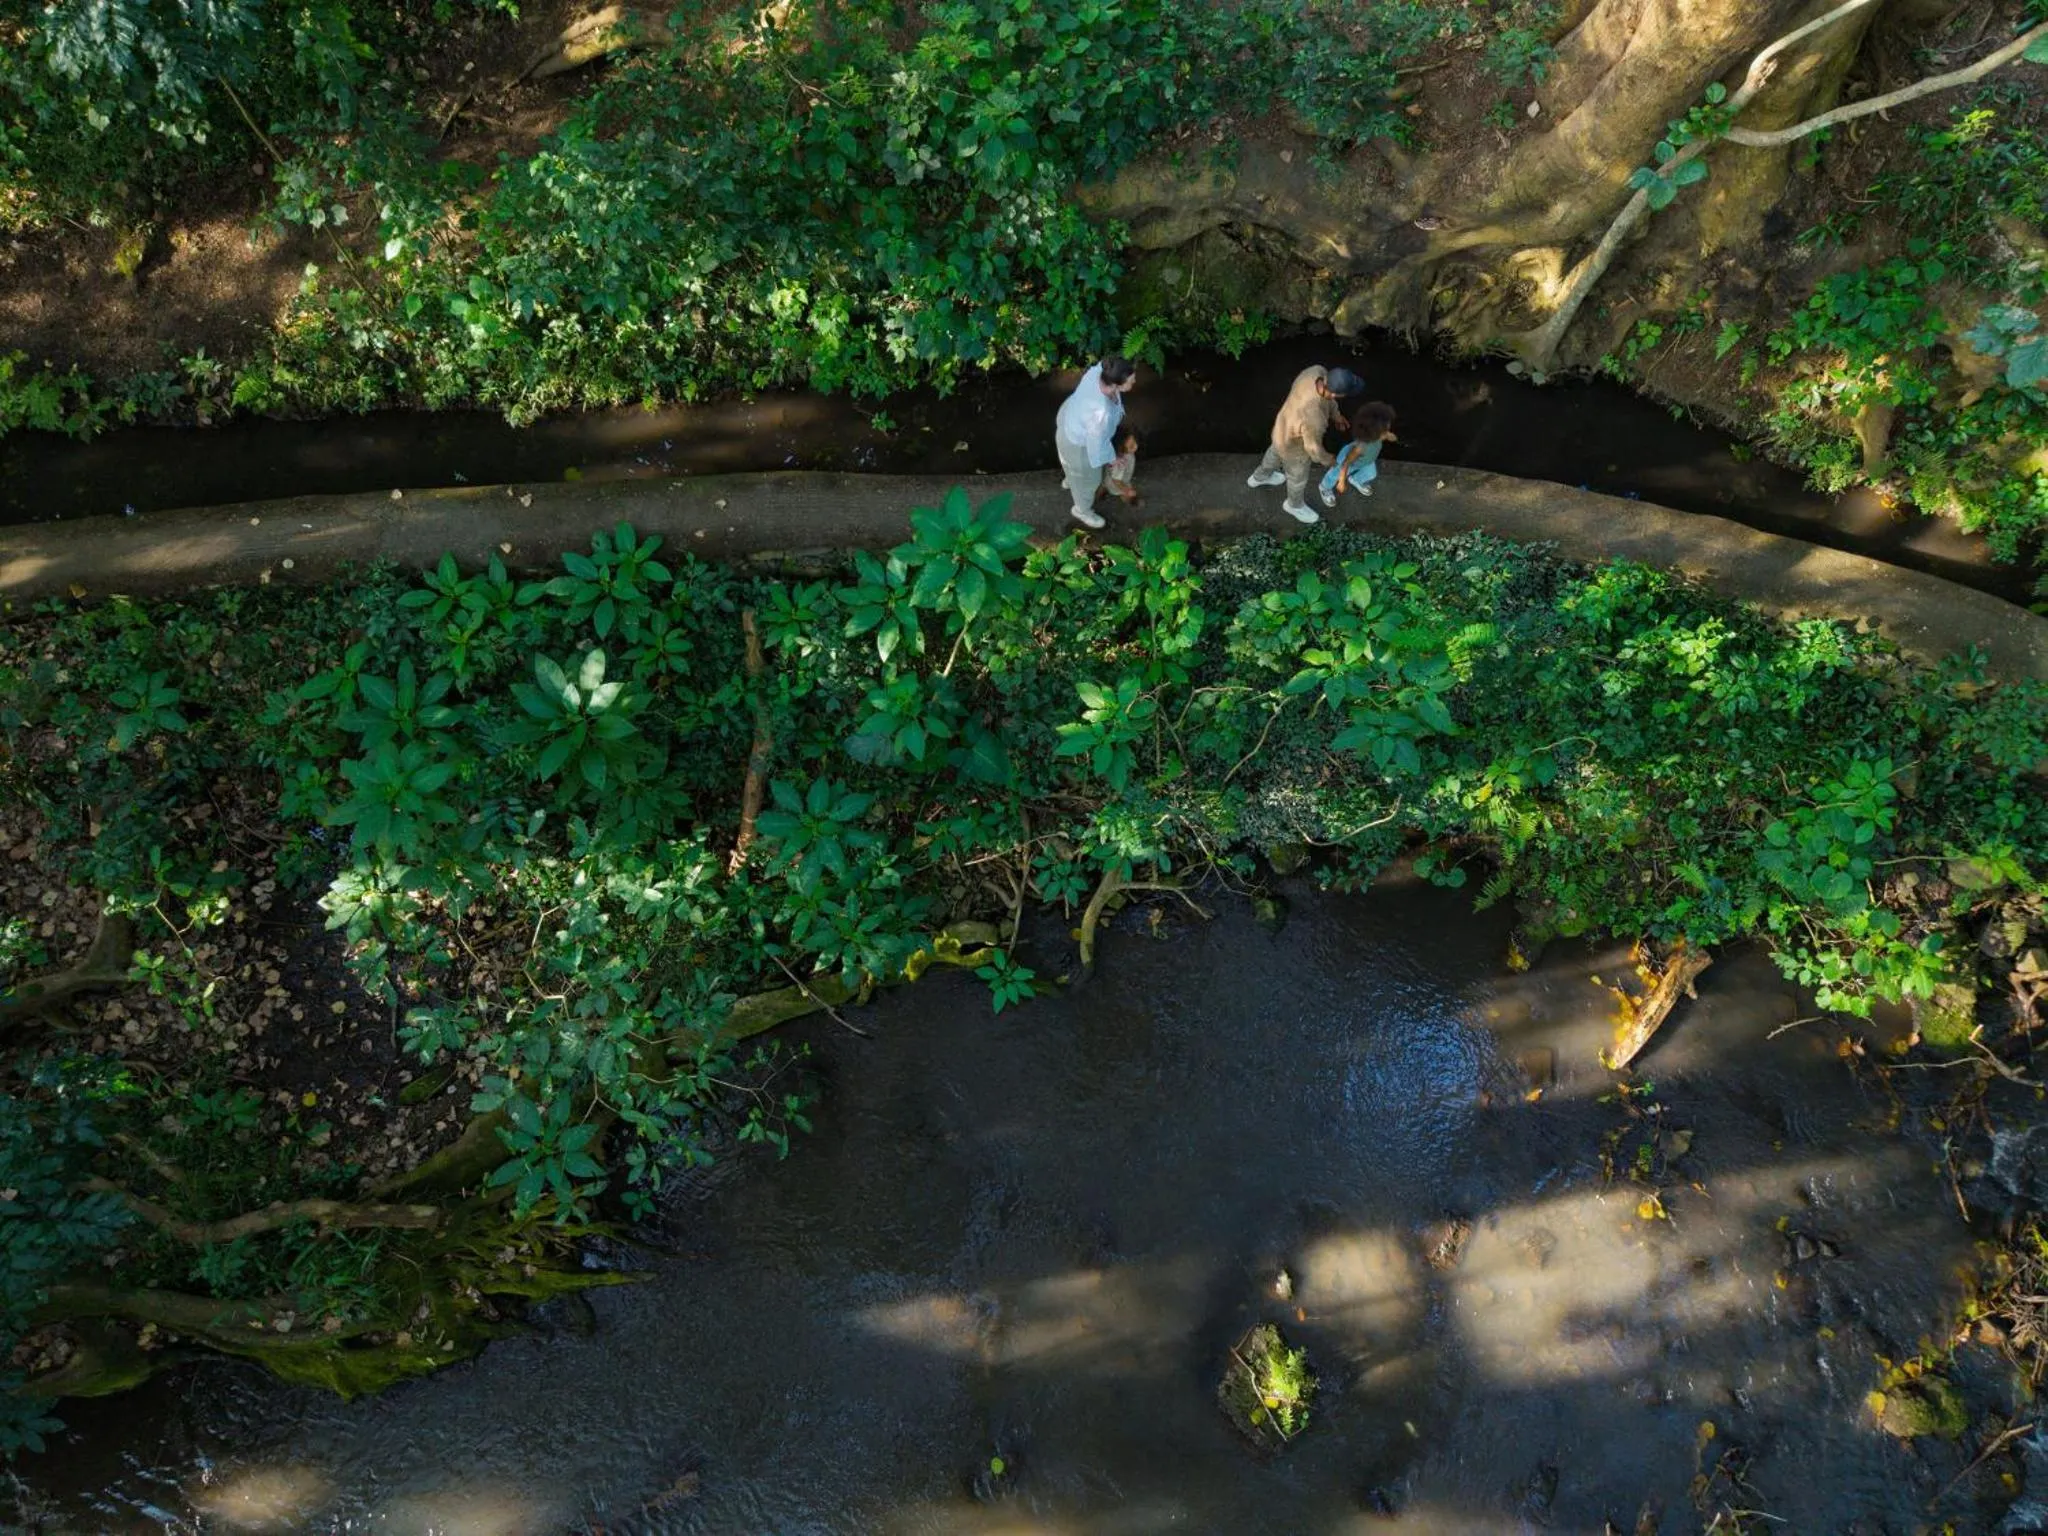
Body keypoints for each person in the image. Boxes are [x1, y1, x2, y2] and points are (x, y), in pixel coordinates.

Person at [1247, 365, 1363, 524]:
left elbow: (1328, 399)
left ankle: (1259, 477)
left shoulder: (1316, 371)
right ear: (1337, 393)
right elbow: (1313, 450)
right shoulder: (1314, 418)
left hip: (1282, 428)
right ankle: (1294, 505)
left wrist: (1336, 416)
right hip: (1294, 447)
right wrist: (1329, 460)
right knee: (1297, 478)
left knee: (1274, 452)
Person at [1054, 355, 1136, 530]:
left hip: (1070, 417)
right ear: (1117, 384)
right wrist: (1113, 459)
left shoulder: (1100, 370)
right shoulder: (1101, 414)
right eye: (1131, 381)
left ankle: (1071, 479)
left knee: (1074, 470)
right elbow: (1097, 445)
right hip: (1078, 443)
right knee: (1089, 481)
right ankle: (1081, 510)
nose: (1134, 381)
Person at [1320, 402, 1397, 508]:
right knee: (1335, 474)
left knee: (1371, 474)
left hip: (1367, 460)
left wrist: (1388, 436)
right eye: (1385, 431)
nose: (1387, 433)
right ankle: (1325, 487)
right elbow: (1346, 463)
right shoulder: (1361, 447)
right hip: (1350, 462)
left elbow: (1386, 435)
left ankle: (1356, 479)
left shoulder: (1376, 435)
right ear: (1374, 433)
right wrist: (1342, 481)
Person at [1098, 425, 1141, 507]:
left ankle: (1101, 493)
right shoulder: (1121, 464)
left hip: (1111, 476)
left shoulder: (1118, 455)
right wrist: (1126, 490)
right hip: (1116, 484)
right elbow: (1116, 480)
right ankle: (1127, 498)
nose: (1135, 446)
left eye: (1135, 442)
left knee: (1104, 483)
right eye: (1131, 446)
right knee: (1111, 487)